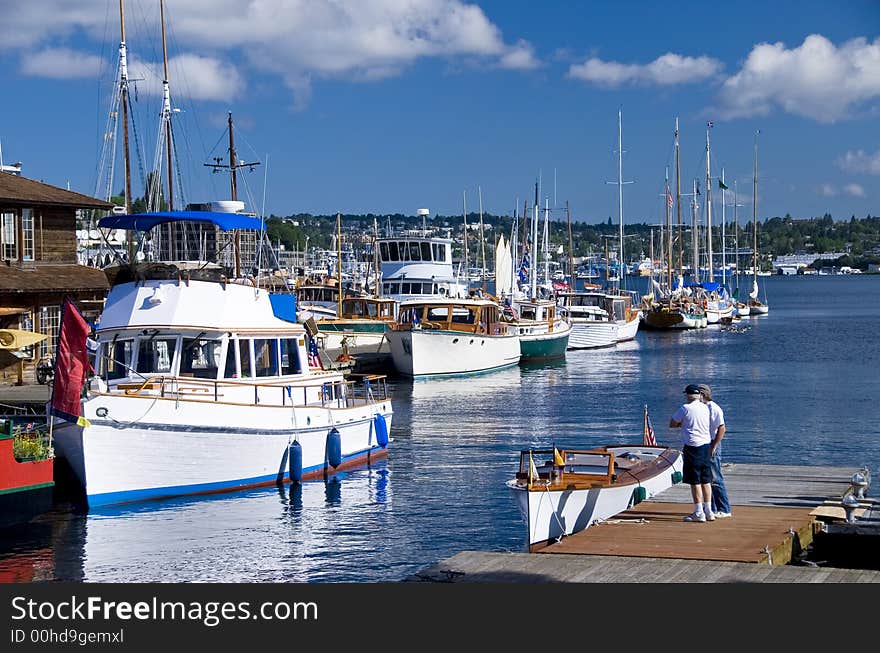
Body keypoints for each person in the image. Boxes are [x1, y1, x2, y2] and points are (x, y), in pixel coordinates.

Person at [669, 384, 714, 522]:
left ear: (688, 395)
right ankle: (709, 510)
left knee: (695, 481)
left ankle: (698, 512)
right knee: (706, 480)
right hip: (706, 446)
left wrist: (683, 425)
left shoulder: (685, 408)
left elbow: (672, 423)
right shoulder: (706, 408)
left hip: (692, 447)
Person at [699, 383, 732, 518]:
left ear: (702, 395)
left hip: (712, 444)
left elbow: (722, 428)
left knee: (716, 478)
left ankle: (724, 509)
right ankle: (711, 507)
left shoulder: (714, 409)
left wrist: (714, 446)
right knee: (706, 477)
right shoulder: (701, 408)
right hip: (704, 444)